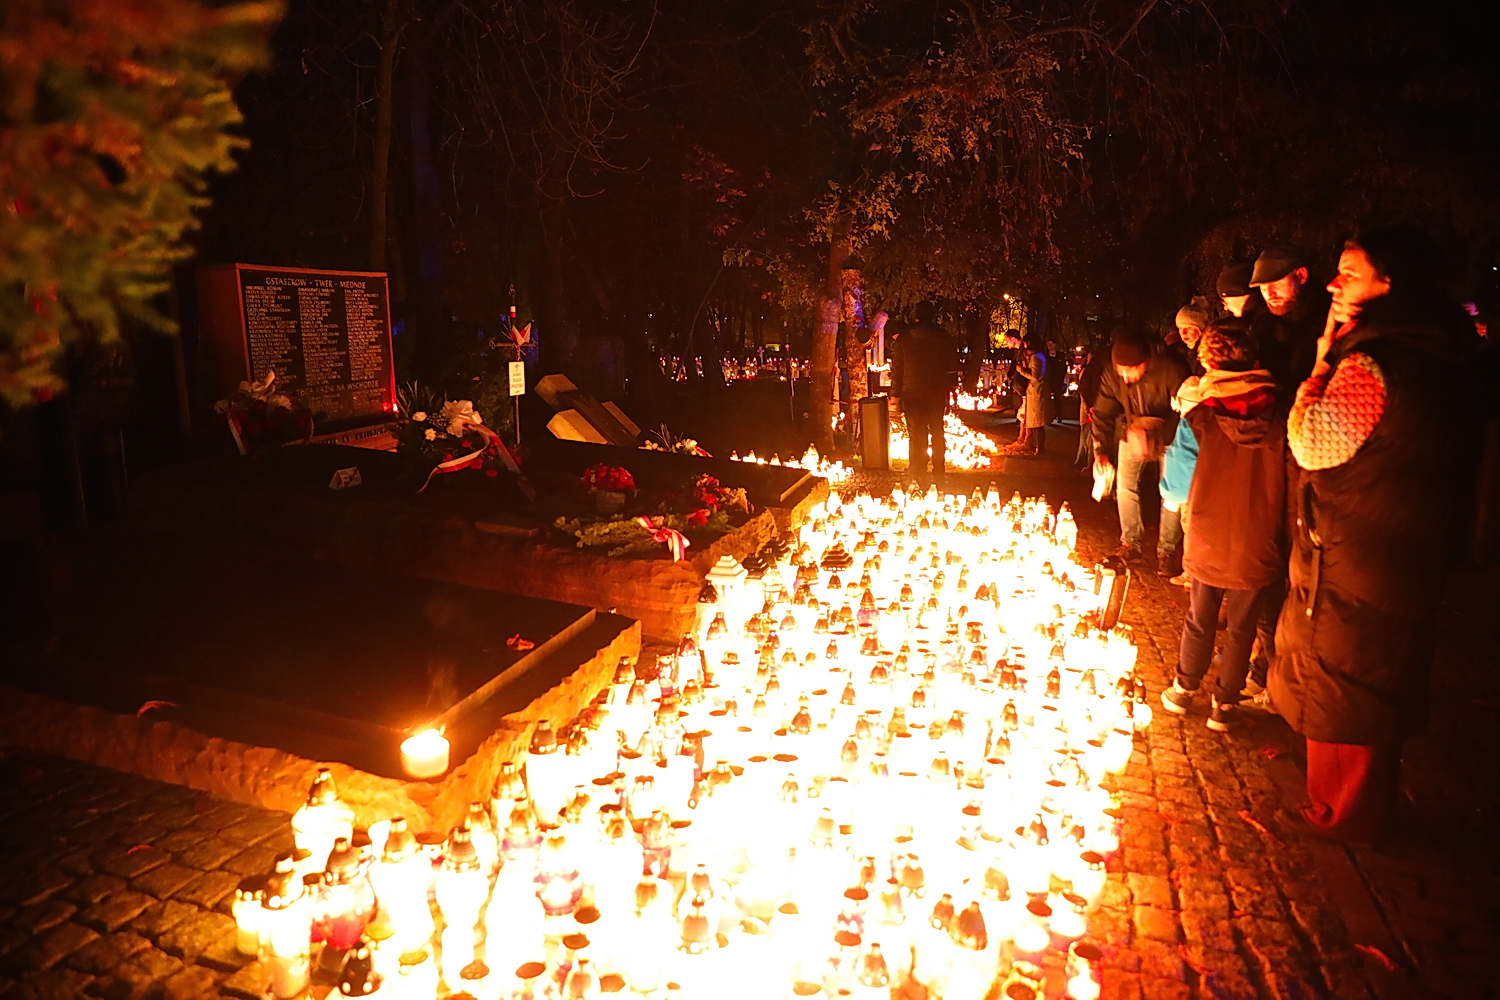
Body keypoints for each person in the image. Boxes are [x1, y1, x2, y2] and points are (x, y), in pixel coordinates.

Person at [1270, 224, 1475, 847]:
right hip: (1389, 542)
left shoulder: (1375, 362)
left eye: (1350, 272)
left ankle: (1345, 813)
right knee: (1357, 674)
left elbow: (1309, 443)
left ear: (1392, 283)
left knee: (1348, 676)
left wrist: (1319, 367)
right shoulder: (1429, 351)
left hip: (1362, 547)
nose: (1333, 282)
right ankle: (1341, 798)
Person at [1160, 319, 1287, 730]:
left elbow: (1176, 485)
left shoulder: (1201, 416)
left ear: (1208, 362)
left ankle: (1184, 688)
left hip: (1208, 534)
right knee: (1243, 626)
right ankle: (1226, 703)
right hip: (1259, 537)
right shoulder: (1281, 415)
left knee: (1200, 616)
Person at [1091, 328, 1192, 565]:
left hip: (1171, 435)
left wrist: (1154, 432)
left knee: (1171, 493)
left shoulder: (1172, 369)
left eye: (1131, 370)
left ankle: (1166, 550)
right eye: (1120, 371)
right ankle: (1130, 543)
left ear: (1146, 361)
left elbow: (1189, 415)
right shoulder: (1111, 374)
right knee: (1125, 487)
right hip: (1131, 431)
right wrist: (1101, 451)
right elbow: (1103, 413)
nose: (1125, 377)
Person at [892, 301, 958, 483]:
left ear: (916, 316)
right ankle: (939, 468)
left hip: (911, 392)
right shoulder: (943, 337)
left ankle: (917, 467)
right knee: (937, 431)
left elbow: (897, 370)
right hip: (936, 392)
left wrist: (895, 394)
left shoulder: (904, 340)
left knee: (915, 434)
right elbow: (953, 365)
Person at [1249, 245, 1331, 386]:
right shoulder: (1261, 324)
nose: (1269, 294)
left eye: (1276, 283)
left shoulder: (1331, 317)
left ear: (1301, 276)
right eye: (1263, 287)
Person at [1006, 330, 1055, 455]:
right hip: (1033, 391)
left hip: (1036, 392)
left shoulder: (1036, 357)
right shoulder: (1036, 356)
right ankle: (1034, 446)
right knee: (1033, 420)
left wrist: (1021, 370)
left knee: (1037, 422)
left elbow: (1035, 375)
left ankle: (1038, 447)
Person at [1172, 304, 1210, 375]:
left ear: (1200, 329)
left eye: (1189, 327)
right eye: (1180, 328)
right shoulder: (1175, 351)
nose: (1184, 333)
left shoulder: (1211, 353)